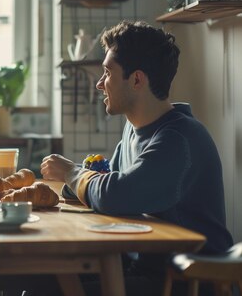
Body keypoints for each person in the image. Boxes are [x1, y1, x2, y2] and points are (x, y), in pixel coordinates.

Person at [41, 21, 233, 295]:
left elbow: (115, 194)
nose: (99, 84)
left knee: (50, 290)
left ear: (137, 80)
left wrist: (71, 172)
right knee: (42, 280)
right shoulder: (135, 130)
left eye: (107, 73)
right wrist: (80, 180)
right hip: (145, 269)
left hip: (185, 281)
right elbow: (112, 185)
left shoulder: (178, 139)